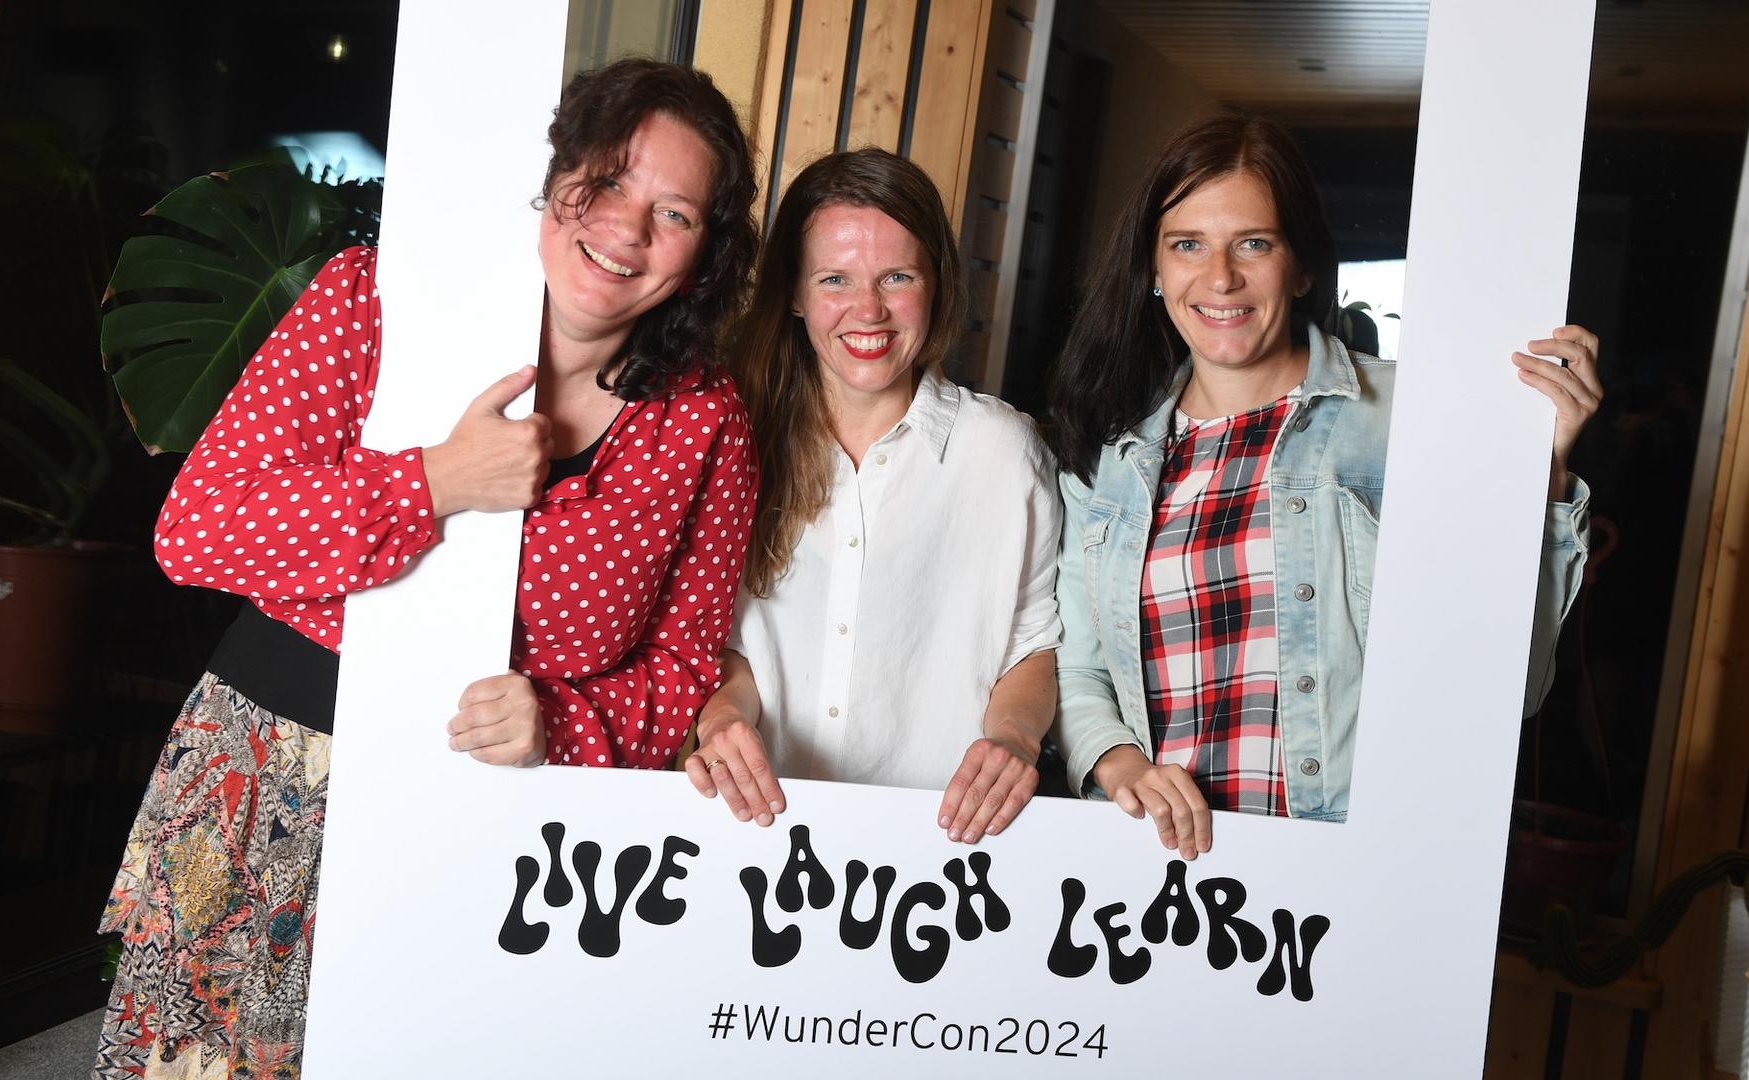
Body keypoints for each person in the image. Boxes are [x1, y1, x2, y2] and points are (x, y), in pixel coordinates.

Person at [96, 60, 758, 1079]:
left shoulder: (704, 423)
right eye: (610, 180)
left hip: (504, 821)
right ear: (554, 176)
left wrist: (562, 723)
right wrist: (435, 482)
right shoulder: (377, 301)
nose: (628, 227)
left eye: (675, 212)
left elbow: (684, 667)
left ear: (705, 254)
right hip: (271, 773)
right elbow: (198, 529)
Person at [1049, 112, 1600, 860]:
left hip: (1355, 877)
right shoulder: (1109, 459)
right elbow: (1081, 671)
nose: (1220, 278)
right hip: (1164, 883)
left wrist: (1537, 474)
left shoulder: (1416, 420)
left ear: (1303, 265)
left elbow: (1508, 693)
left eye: (1254, 243)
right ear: (1153, 270)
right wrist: (1119, 764)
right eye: (1187, 245)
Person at [684, 149, 1062, 845]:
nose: (869, 310)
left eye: (897, 276)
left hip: (946, 844)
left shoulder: (1004, 452)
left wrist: (1013, 738)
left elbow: (1036, 644)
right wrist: (722, 718)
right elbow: (726, 641)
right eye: (835, 279)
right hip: (753, 833)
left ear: (936, 284)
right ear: (794, 293)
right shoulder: (735, 442)